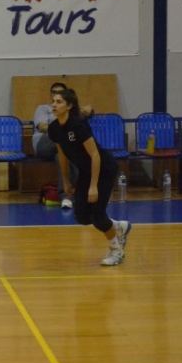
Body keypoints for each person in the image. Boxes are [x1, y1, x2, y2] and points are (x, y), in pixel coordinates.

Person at [48, 87, 132, 266]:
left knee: (97, 215)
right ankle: (118, 226)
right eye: (53, 101)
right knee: (82, 216)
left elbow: (95, 155)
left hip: (104, 168)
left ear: (69, 106)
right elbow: (62, 155)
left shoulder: (78, 125)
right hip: (86, 171)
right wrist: (65, 180)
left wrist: (93, 186)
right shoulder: (54, 128)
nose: (54, 105)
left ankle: (116, 251)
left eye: (59, 102)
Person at [32, 81, 92, 209]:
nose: (56, 95)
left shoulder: (70, 111)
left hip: (62, 146)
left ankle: (66, 197)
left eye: (59, 93)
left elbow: (87, 113)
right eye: (54, 92)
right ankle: (82, 190)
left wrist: (89, 111)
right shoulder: (43, 108)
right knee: (71, 144)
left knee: (62, 156)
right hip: (44, 142)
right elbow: (42, 127)